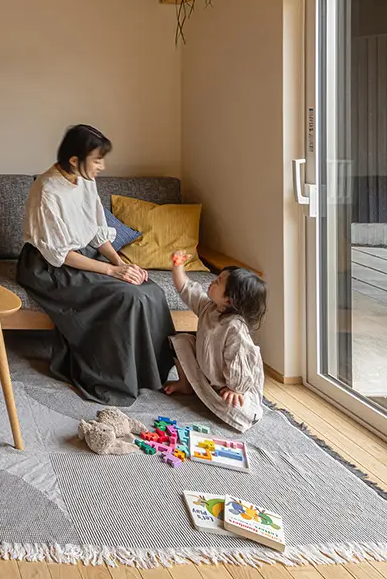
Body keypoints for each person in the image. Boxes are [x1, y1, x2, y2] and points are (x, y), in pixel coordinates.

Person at [17, 123, 174, 404]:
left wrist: (121, 263)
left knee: (151, 290)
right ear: (74, 160)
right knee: (127, 297)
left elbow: (96, 232)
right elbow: (60, 254)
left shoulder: (85, 180)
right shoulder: (47, 190)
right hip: (48, 267)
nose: (102, 166)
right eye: (97, 160)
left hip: (80, 257)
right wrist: (113, 271)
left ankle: (150, 375)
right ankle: (111, 377)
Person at [165, 252, 267, 432]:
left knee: (238, 410)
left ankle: (223, 397)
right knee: (181, 341)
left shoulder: (235, 328)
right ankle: (186, 384)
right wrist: (178, 265)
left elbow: (240, 362)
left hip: (227, 384)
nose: (212, 282)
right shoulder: (208, 307)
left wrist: (236, 388)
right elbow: (186, 288)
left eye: (218, 282)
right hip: (208, 373)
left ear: (229, 299)